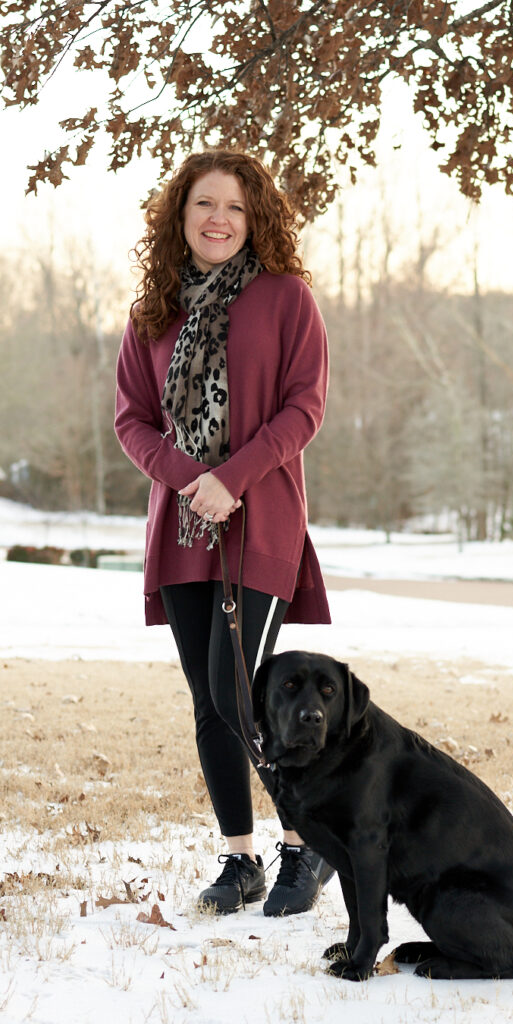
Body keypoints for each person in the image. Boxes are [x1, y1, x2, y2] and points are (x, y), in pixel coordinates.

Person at [114, 149, 334, 916]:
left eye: (235, 207)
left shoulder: (286, 298)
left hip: (258, 520)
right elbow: (131, 421)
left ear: (255, 218)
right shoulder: (154, 311)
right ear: (180, 218)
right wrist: (186, 479)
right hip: (180, 531)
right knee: (207, 704)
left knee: (234, 691)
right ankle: (239, 861)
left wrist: (229, 479)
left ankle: (307, 848)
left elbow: (303, 409)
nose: (218, 219)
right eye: (204, 205)